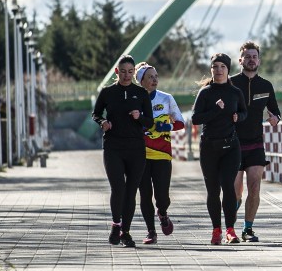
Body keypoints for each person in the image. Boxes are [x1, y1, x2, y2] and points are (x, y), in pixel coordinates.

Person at [91, 54, 154, 248]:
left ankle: (125, 232)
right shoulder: (108, 92)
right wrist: (103, 122)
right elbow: (96, 113)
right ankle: (116, 224)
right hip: (113, 146)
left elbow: (150, 122)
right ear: (117, 72)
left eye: (130, 72)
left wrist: (139, 117)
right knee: (118, 188)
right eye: (123, 72)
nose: (127, 75)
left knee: (131, 191)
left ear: (134, 73)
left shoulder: (141, 93)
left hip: (135, 147)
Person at [192, 53, 248, 245]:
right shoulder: (205, 93)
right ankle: (216, 230)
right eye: (215, 66)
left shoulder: (235, 92)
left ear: (228, 69)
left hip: (230, 146)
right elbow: (196, 119)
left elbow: (244, 112)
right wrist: (216, 110)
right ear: (211, 70)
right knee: (213, 189)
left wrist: (238, 118)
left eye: (222, 66)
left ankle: (230, 230)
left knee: (228, 186)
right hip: (209, 147)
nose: (218, 70)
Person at [230, 41, 281, 242]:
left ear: (259, 60)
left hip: (255, 143)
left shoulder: (266, 85)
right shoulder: (231, 83)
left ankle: (247, 229)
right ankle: (229, 225)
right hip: (233, 143)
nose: (251, 60)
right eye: (247, 56)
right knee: (234, 190)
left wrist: (275, 118)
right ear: (240, 60)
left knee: (255, 186)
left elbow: (275, 111)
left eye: (254, 56)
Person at [135, 63, 185, 245]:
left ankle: (162, 212)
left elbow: (181, 123)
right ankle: (151, 232)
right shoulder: (134, 99)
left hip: (163, 154)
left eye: (156, 76)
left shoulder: (166, 98)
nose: (155, 79)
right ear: (141, 81)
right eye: (150, 77)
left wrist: (167, 126)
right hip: (140, 155)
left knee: (162, 197)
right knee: (145, 194)